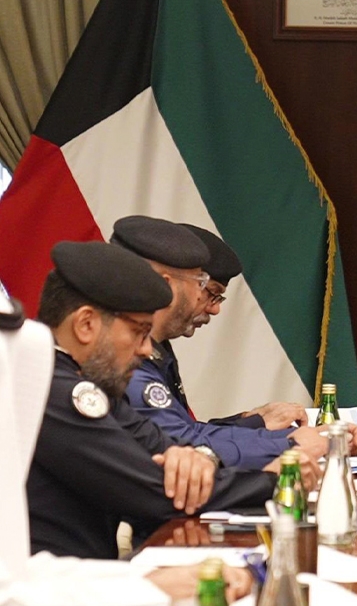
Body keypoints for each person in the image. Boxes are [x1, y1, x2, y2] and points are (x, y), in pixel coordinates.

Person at [27, 241, 277, 559]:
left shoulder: (89, 383)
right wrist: (275, 480)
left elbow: (164, 447)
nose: (147, 350)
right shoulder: (49, 387)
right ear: (86, 325)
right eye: (139, 332)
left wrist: (198, 458)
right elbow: (155, 491)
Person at [0, 290, 252, 604]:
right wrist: (149, 587)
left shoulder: (96, 387)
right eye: (138, 333)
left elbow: (23, 572)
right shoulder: (60, 391)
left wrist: (150, 582)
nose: (146, 349)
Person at [123, 221, 329, 469]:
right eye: (204, 287)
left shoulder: (159, 347)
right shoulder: (127, 353)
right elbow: (179, 444)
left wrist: (256, 423)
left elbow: (183, 429)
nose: (214, 308)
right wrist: (289, 445)